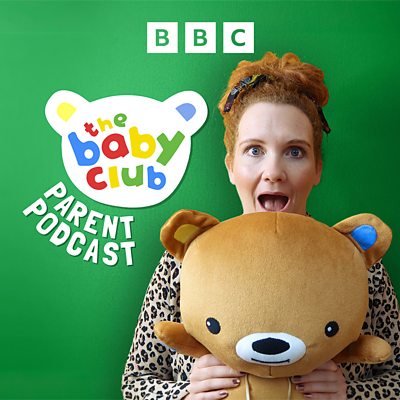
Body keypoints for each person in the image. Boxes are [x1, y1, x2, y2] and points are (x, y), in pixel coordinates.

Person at [121, 52, 400, 400]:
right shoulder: (188, 258)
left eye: (295, 151)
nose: (274, 172)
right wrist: (185, 394)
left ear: (317, 168)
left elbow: (396, 377)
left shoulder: (355, 261)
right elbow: (136, 382)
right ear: (231, 166)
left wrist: (351, 394)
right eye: (254, 150)